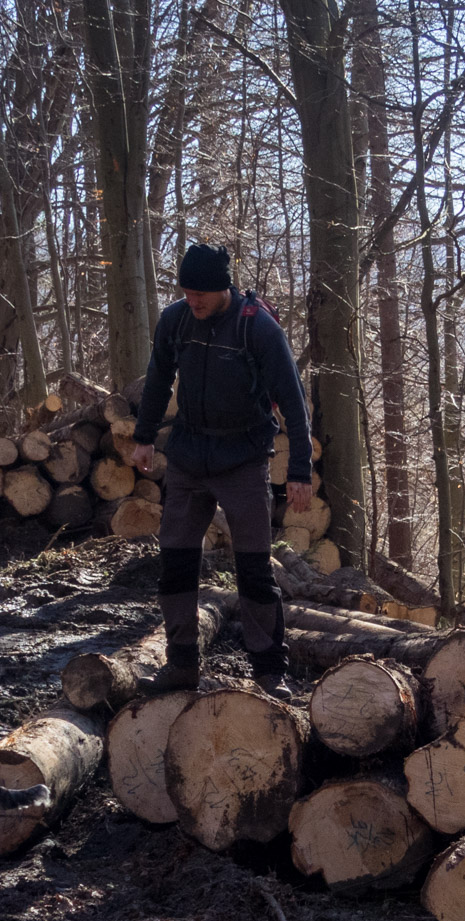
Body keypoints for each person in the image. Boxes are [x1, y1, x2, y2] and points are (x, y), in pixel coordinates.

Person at [130, 243, 313, 698]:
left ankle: (270, 671)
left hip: (244, 457)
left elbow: (292, 399)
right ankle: (181, 664)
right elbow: (157, 377)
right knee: (175, 562)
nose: (194, 301)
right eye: (187, 292)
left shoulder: (258, 328)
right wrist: (144, 434)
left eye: (201, 295)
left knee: (253, 568)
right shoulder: (176, 321)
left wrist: (301, 469)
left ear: (223, 288)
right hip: (190, 454)